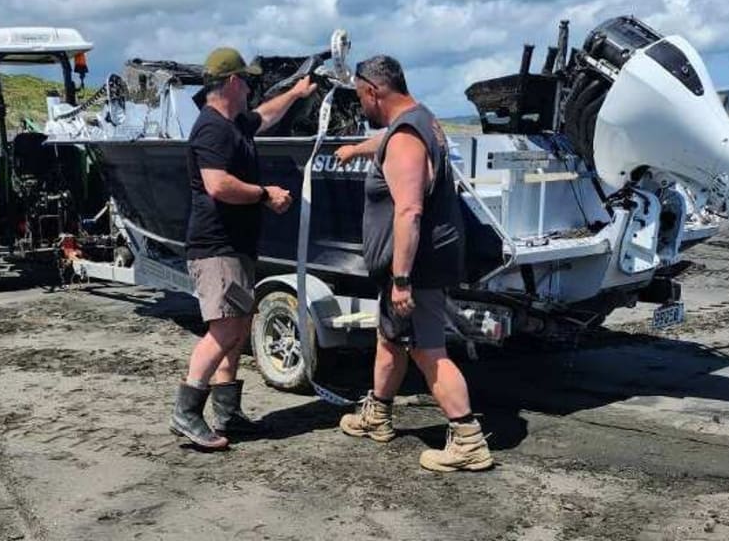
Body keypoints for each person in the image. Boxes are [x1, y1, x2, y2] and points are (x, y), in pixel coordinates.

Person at [337, 55, 493, 472]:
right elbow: (390, 142)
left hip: (415, 267)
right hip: (414, 263)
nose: (360, 106)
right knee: (389, 340)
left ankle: (468, 440)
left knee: (428, 350)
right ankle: (378, 415)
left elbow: (408, 212)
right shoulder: (420, 120)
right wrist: (356, 148)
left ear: (374, 91)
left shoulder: (406, 136)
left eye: (359, 97)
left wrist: (402, 279)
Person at [170, 47, 316, 449]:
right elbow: (217, 185)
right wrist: (265, 193)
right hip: (216, 247)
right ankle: (185, 411)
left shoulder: (234, 124)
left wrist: (298, 93)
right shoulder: (213, 129)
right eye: (248, 81)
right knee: (225, 327)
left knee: (235, 326)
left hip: (234, 245)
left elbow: (265, 115)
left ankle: (228, 414)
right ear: (234, 82)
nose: (252, 88)